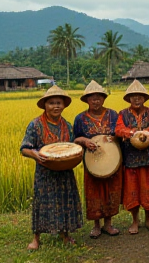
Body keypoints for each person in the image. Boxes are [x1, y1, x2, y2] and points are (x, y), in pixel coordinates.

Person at [20, 85, 83, 250]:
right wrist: (36, 155)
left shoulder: (67, 126)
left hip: (64, 171)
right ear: (45, 105)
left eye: (59, 103)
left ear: (64, 105)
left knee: (65, 201)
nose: (56, 106)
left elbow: (71, 146)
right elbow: (24, 148)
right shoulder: (35, 125)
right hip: (44, 172)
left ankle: (65, 235)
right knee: (42, 203)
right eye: (52, 103)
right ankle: (36, 238)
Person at [115, 79, 149, 234]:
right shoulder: (122, 114)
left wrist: (148, 132)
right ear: (129, 98)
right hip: (130, 159)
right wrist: (131, 133)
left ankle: (148, 220)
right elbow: (118, 129)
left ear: (144, 98)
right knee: (133, 190)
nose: (136, 99)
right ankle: (135, 220)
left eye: (140, 96)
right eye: (133, 96)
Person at [73, 80, 122, 238]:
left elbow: (120, 133)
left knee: (111, 191)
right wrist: (85, 141)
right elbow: (75, 139)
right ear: (86, 99)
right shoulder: (80, 118)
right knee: (94, 192)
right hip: (92, 161)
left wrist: (113, 137)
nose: (95, 101)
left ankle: (108, 223)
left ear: (103, 99)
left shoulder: (113, 114)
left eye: (99, 97)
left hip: (112, 159)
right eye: (92, 98)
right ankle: (96, 225)